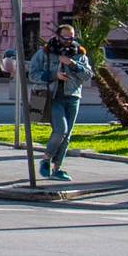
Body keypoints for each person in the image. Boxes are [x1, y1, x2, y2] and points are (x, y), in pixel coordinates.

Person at [26, 25, 94, 181]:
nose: (69, 41)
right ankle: (46, 159)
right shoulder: (44, 53)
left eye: (71, 38)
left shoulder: (80, 54)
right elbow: (32, 75)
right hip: (52, 96)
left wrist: (72, 64)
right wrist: (54, 75)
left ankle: (57, 168)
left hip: (73, 97)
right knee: (60, 130)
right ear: (57, 37)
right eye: (65, 37)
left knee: (67, 134)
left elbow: (88, 75)